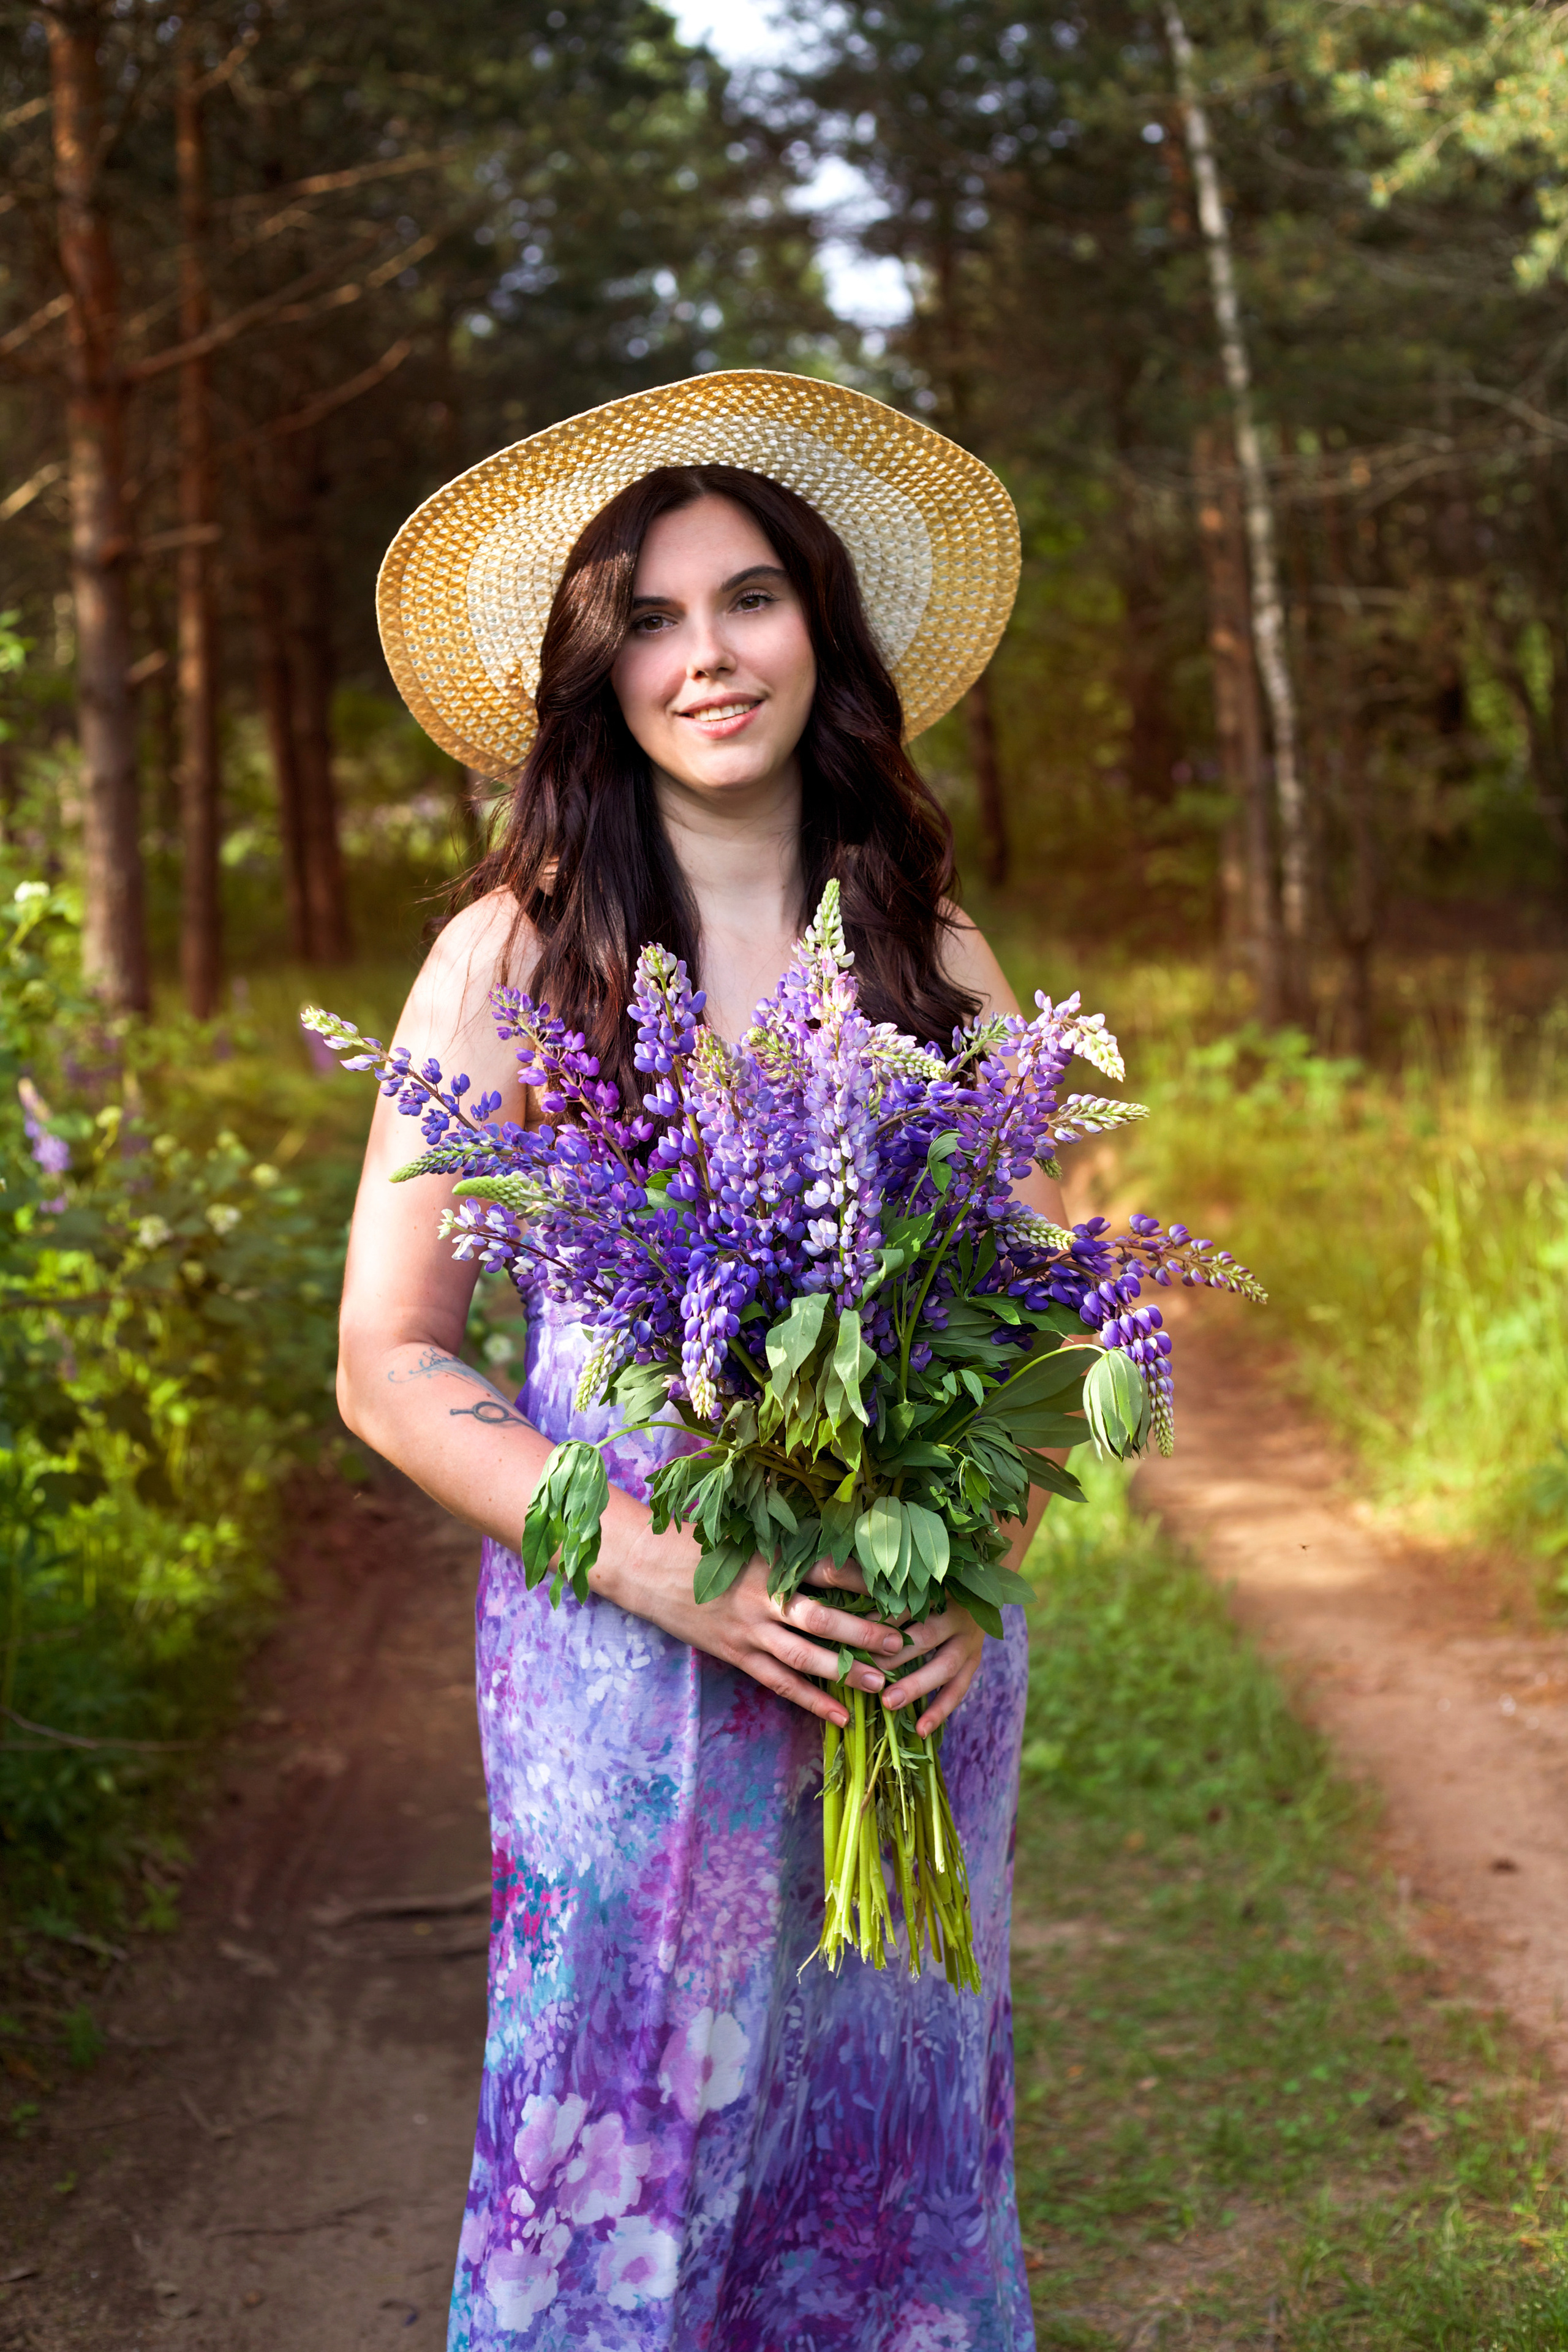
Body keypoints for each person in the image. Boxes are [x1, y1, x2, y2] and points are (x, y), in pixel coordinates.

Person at [337, 372, 1066, 2351]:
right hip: (626, 1664)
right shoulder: (514, 959)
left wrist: (971, 1584)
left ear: (820, 628)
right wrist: (667, 1565)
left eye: (750, 598)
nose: (708, 655)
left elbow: (1036, 1335)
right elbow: (389, 1359)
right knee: (620, 2184)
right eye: (650, 618)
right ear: (599, 670)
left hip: (900, 1679)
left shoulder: (940, 954)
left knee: (888, 2159)